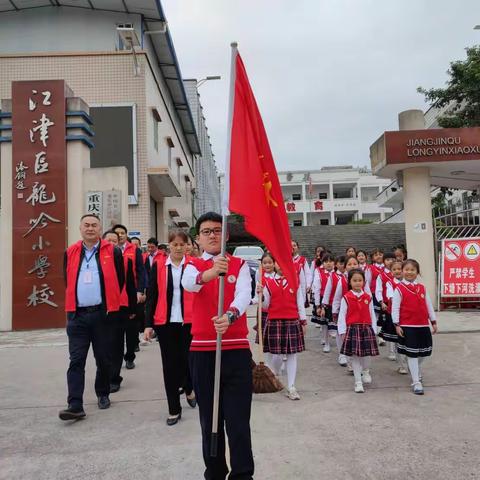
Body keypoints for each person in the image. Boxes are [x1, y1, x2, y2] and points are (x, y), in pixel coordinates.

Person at [182, 212, 254, 480]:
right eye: (206, 231)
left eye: (216, 231)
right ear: (198, 238)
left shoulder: (240, 264)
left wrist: (231, 315)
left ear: (225, 236)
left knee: (238, 422)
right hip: (203, 352)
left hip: (235, 349)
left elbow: (245, 294)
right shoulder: (192, 265)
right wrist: (212, 273)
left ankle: (243, 474)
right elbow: (189, 284)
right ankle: (214, 472)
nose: (212, 235)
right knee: (210, 421)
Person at [59, 214, 124, 420]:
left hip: (102, 315)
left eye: (94, 225)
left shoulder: (112, 251)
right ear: (80, 228)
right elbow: (66, 279)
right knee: (76, 360)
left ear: (100, 228)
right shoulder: (71, 252)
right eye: (86, 225)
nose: (90, 228)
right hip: (77, 316)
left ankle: (102, 392)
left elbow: (120, 280)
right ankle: (75, 404)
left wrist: (109, 303)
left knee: (103, 359)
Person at [144, 229, 196, 425]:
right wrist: (148, 325)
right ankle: (174, 408)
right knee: (169, 366)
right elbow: (151, 296)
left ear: (187, 246)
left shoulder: (193, 265)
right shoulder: (158, 266)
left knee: (188, 361)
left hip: (188, 322)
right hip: (165, 322)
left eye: (182, 244)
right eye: (175, 244)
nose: (179, 248)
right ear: (168, 247)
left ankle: (189, 387)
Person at [262, 260, 306, 400]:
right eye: (279, 262)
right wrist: (260, 295)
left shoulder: (295, 283)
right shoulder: (268, 283)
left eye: (284, 262)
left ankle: (292, 386)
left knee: (292, 354)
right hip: (275, 321)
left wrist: (303, 321)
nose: (282, 265)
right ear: (275, 264)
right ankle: (274, 372)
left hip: (292, 320)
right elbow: (265, 305)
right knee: (278, 355)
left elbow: (300, 303)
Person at [392, 259, 438, 395]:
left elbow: (428, 305)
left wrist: (433, 321)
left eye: (412, 269)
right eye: (406, 269)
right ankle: (416, 382)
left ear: (417, 272)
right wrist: (396, 324)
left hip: (423, 325)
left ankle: (414, 370)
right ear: (402, 271)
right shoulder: (399, 288)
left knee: (423, 353)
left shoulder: (422, 288)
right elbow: (395, 308)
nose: (409, 272)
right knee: (412, 353)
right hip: (407, 325)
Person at [338, 269, 379, 393]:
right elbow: (342, 315)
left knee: (366, 355)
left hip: (366, 329)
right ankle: (357, 382)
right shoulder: (346, 297)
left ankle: (365, 371)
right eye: (354, 280)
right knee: (355, 356)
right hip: (352, 329)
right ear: (350, 282)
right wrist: (342, 331)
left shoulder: (368, 297)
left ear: (364, 282)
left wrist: (374, 330)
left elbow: (372, 314)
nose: (357, 283)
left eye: (360, 280)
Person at [113, 224, 146, 369]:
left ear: (126, 235)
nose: (120, 235)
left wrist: (140, 291)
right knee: (117, 331)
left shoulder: (134, 249)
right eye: (117, 233)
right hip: (115, 296)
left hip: (132, 295)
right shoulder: (109, 250)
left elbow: (140, 271)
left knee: (131, 329)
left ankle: (130, 356)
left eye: (122, 233)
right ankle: (117, 358)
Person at [379, 260, 409, 375]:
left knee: (406, 340)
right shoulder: (390, 284)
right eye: (394, 269)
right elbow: (391, 297)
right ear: (391, 272)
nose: (397, 271)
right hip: (395, 316)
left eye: (400, 269)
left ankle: (407, 359)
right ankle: (401, 365)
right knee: (397, 341)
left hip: (407, 316)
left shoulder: (410, 283)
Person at [321, 255, 346, 365]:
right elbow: (327, 291)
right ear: (336, 265)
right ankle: (342, 354)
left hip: (352, 307)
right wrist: (323, 306)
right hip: (336, 306)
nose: (343, 266)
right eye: (341, 263)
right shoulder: (333, 276)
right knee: (337, 330)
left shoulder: (353, 276)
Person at [313, 254, 335, 352]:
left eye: (331, 261)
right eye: (326, 262)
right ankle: (326, 343)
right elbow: (317, 288)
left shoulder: (338, 273)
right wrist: (318, 304)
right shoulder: (319, 271)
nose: (329, 263)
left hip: (335, 300)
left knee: (335, 322)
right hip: (324, 300)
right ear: (323, 263)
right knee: (325, 323)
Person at [375, 253, 396, 359]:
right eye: (388, 259)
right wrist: (381, 302)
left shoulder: (399, 273)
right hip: (387, 304)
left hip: (400, 304)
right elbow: (378, 290)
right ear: (384, 262)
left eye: (392, 259)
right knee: (390, 327)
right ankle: (392, 351)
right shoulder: (381, 275)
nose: (390, 261)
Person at [366, 248, 385, 346]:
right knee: (375, 315)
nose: (378, 256)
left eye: (380, 254)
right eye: (376, 254)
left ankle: (382, 336)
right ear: (372, 257)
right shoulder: (370, 268)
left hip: (385, 295)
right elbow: (367, 282)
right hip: (374, 294)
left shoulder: (386, 267)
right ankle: (376, 335)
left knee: (384, 315)